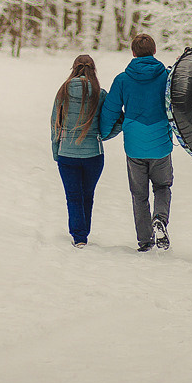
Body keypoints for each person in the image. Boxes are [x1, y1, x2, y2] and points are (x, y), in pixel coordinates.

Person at [100, 33, 173, 252]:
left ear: (133, 53)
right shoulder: (167, 77)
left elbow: (111, 110)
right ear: (154, 51)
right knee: (162, 186)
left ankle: (145, 240)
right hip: (161, 143)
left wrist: (102, 134)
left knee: (139, 193)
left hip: (134, 146)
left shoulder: (122, 79)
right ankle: (160, 219)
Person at [51, 54, 119, 247]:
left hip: (67, 154)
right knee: (87, 195)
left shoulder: (62, 92)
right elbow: (117, 120)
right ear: (93, 69)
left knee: (73, 197)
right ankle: (83, 233)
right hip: (94, 155)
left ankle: (79, 237)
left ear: (74, 68)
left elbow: (54, 125)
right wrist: (102, 136)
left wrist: (57, 151)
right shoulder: (100, 93)